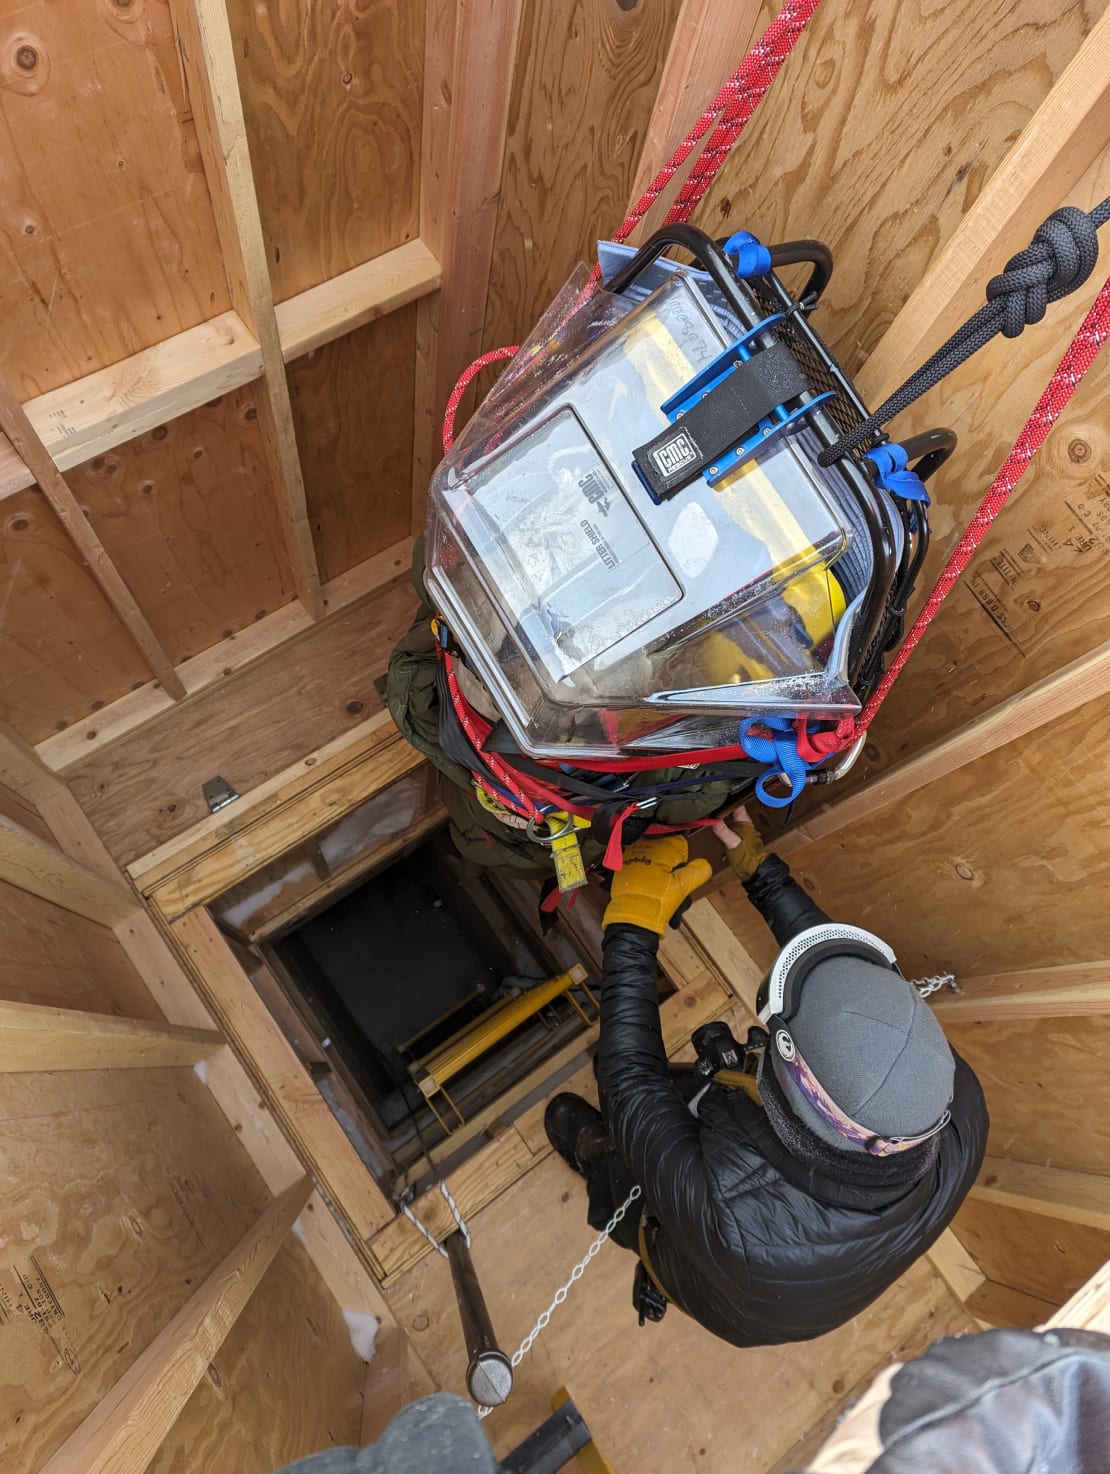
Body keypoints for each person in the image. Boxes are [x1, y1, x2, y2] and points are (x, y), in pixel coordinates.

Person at [543, 809, 989, 1347]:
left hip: (737, 1289)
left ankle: (597, 1163)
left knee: (633, 1190)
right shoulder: (953, 1100)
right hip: (803, 1261)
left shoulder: (733, 1219)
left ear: (791, 1085)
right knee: (685, 1111)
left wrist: (632, 924)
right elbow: (849, 995)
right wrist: (761, 872)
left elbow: (630, 1085)